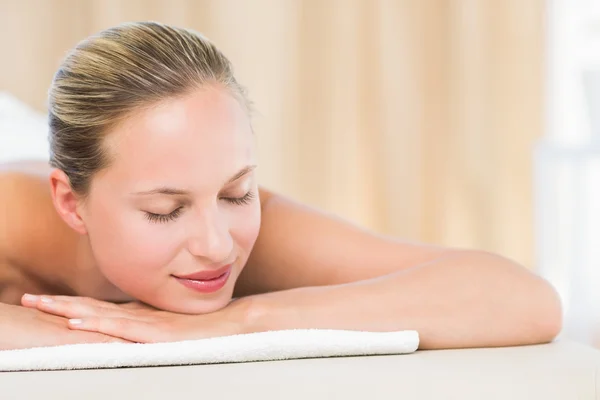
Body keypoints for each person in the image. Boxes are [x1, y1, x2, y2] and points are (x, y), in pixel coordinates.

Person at [0, 21, 561, 351]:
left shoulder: (258, 234)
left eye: (235, 193)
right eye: (165, 210)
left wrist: (244, 318)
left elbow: (523, 300)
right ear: (71, 202)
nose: (217, 245)